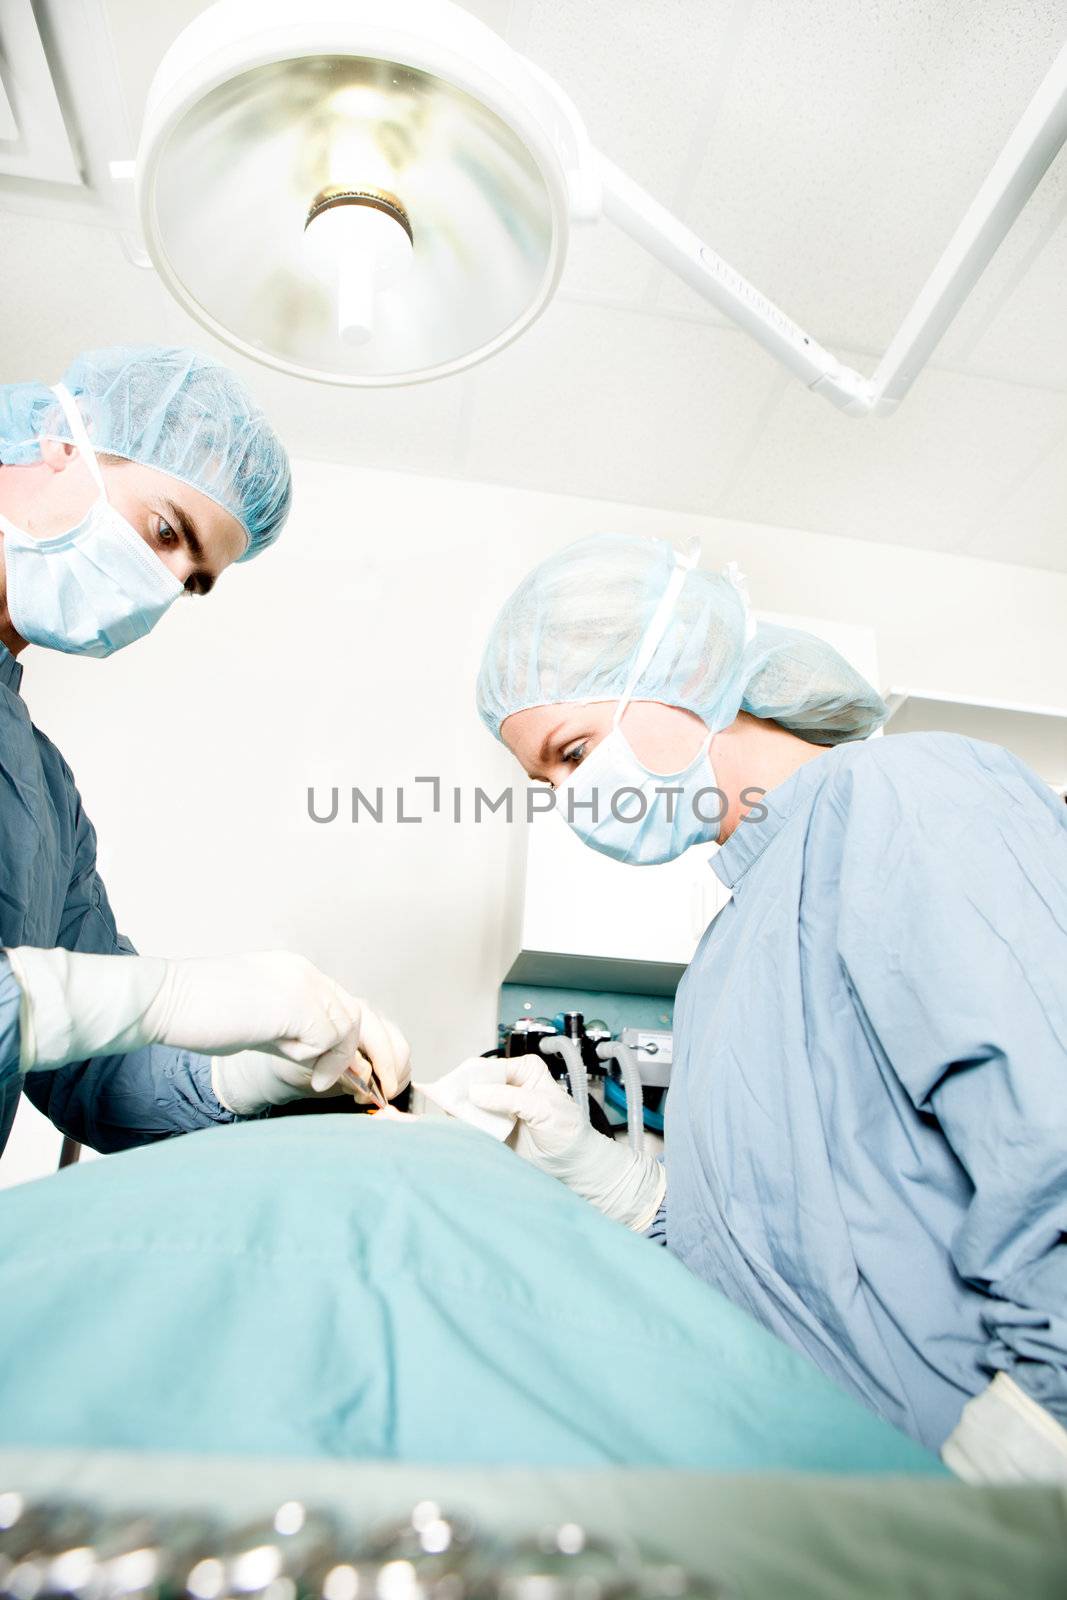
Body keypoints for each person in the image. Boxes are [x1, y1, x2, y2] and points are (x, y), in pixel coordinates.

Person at [470, 531, 1067, 1484]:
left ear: (686, 670)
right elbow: (775, 1255)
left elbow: (1052, 1124)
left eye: (574, 751)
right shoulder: (723, 953)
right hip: (857, 1500)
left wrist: (1036, 1440)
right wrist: (616, 1183)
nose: (572, 798)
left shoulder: (910, 796)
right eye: (548, 784)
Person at [0, 346, 409, 1162]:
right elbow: (107, 1006)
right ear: (57, 443)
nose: (161, 587)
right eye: (162, 531)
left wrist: (250, 1084)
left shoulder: (42, 791)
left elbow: (92, 1075)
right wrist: (167, 995)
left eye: (192, 581)